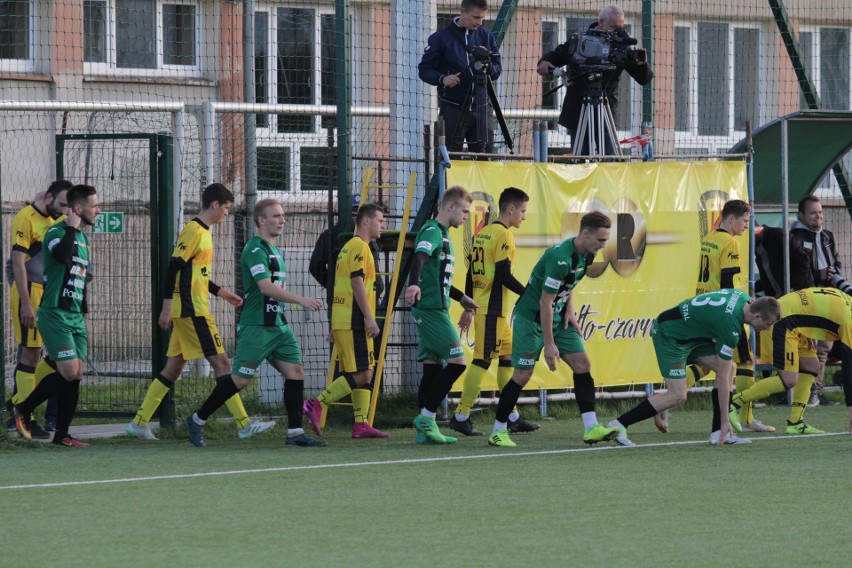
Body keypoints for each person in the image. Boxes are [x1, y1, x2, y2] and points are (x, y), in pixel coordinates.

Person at [126, 183, 274, 441]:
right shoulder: (193, 231)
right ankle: (244, 424)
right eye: (226, 208)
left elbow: (194, 275)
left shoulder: (205, 233)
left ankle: (138, 423)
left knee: (173, 368)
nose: (227, 214)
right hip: (192, 311)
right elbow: (174, 267)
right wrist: (166, 306)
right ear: (215, 205)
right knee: (223, 364)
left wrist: (222, 293)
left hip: (192, 308)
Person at [185, 199, 325, 447]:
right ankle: (197, 419)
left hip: (278, 327)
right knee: (240, 380)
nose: (282, 220)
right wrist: (301, 300)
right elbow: (264, 287)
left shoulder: (274, 250)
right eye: (276, 216)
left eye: (282, 216)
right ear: (261, 220)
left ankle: (295, 433)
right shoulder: (254, 249)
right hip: (257, 326)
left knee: (295, 372)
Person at [488, 211, 620, 448]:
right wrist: (549, 344)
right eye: (601, 240)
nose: (604, 245)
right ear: (586, 234)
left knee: (582, 365)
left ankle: (591, 428)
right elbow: (544, 302)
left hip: (558, 317)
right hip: (531, 319)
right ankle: (498, 431)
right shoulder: (560, 258)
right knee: (522, 375)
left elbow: (569, 284)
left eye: (606, 240)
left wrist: (569, 308)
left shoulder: (587, 254)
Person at [656, 200, 774, 434]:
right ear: (731, 219)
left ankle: (666, 399)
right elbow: (727, 282)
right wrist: (739, 306)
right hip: (724, 312)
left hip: (705, 307)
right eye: (744, 220)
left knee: (710, 365)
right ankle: (746, 418)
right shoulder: (730, 242)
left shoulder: (710, 237)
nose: (746, 226)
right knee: (744, 362)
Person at [607, 290, 781, 447]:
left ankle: (717, 434)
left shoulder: (742, 296)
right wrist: (725, 420)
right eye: (769, 324)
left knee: (730, 368)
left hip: (689, 335)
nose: (768, 329)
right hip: (669, 335)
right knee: (678, 395)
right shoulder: (731, 328)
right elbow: (721, 379)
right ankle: (619, 424)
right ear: (757, 316)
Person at [13, 184, 101, 447]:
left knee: (76, 374)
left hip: (74, 315)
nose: (98, 210)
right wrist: (71, 228)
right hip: (54, 312)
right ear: (78, 209)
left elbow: (81, 276)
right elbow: (61, 256)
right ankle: (22, 409)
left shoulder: (83, 238)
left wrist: (82, 310)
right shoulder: (57, 231)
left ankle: (62, 435)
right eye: (94, 205)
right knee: (68, 370)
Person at [449, 187, 538, 437]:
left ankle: (511, 416)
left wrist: (468, 304)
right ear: (511, 209)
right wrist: (529, 294)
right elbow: (502, 275)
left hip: (490, 309)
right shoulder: (503, 235)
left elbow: (470, 273)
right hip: (492, 310)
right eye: (523, 211)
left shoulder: (483, 233)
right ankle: (461, 415)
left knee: (508, 359)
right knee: (482, 359)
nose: (524, 216)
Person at [303, 203, 390, 439]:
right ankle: (316, 403)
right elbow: (356, 282)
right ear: (366, 221)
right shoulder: (359, 246)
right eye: (380, 220)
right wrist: (369, 317)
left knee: (365, 372)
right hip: (354, 320)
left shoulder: (349, 247)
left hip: (345, 319)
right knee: (363, 374)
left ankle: (361, 424)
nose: (383, 225)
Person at [406, 186, 479, 444]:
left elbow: (438, 276)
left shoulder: (444, 233)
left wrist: (461, 297)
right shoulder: (432, 230)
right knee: (458, 363)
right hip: (430, 311)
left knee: (432, 368)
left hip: (437, 307)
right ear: (450, 207)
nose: (466, 216)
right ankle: (426, 417)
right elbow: (420, 258)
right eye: (465, 211)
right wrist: (412, 284)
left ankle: (424, 430)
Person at [729, 287, 852, 435]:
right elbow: (849, 368)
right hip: (782, 322)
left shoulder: (848, 301)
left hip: (794, 321)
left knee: (812, 366)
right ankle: (734, 402)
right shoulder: (849, 323)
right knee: (789, 380)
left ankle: (796, 422)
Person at [536, 5, 653, 156]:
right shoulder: (579, 41)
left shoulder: (621, 48)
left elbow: (644, 79)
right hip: (579, 110)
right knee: (580, 161)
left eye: (621, 27)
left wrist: (642, 64)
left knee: (608, 161)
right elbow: (556, 56)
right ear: (601, 23)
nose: (618, 32)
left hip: (606, 112)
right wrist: (544, 61)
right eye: (614, 27)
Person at [5, 181, 71, 437]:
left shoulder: (61, 220)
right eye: (62, 204)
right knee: (30, 354)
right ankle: (25, 417)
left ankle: (18, 408)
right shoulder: (25, 218)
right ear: (50, 197)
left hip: (52, 294)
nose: (65, 209)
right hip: (31, 292)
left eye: (69, 205)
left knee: (57, 354)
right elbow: (17, 262)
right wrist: (24, 301)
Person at [418, 0, 501, 153]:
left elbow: (496, 71)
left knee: (485, 162)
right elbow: (424, 70)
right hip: (453, 108)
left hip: (482, 109)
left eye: (482, 18)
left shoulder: (486, 37)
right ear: (463, 11)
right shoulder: (440, 38)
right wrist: (443, 79)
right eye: (476, 17)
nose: (480, 22)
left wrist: (486, 63)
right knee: (450, 160)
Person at [789, 195, 844, 407]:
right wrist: (820, 274)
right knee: (808, 347)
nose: (818, 216)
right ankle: (802, 392)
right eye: (813, 213)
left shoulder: (827, 235)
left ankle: (817, 392)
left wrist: (834, 272)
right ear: (801, 215)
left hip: (829, 298)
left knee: (824, 348)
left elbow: (836, 261)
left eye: (820, 212)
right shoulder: (795, 236)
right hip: (807, 297)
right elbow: (798, 270)